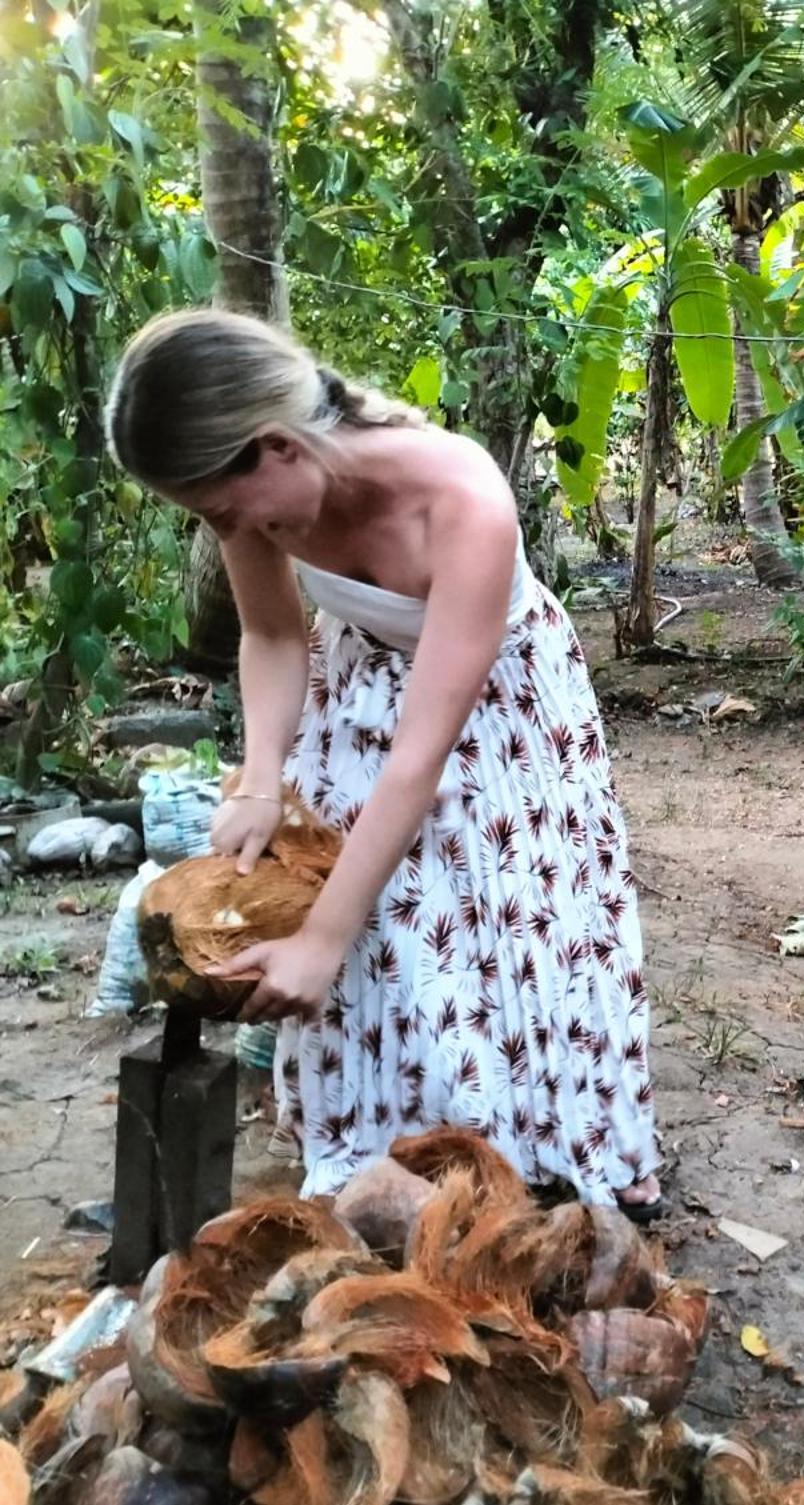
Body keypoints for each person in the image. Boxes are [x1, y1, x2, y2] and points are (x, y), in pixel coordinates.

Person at [106, 309, 667, 1219]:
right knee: (395, 945)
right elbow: (273, 631)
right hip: (360, 685)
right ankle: (398, 1165)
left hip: (501, 716)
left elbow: (422, 760)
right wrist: (258, 777)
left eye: (218, 510)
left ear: (278, 446)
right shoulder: (257, 489)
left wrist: (323, 936)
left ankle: (542, 1157)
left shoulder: (465, 504)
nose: (225, 529)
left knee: (509, 930)